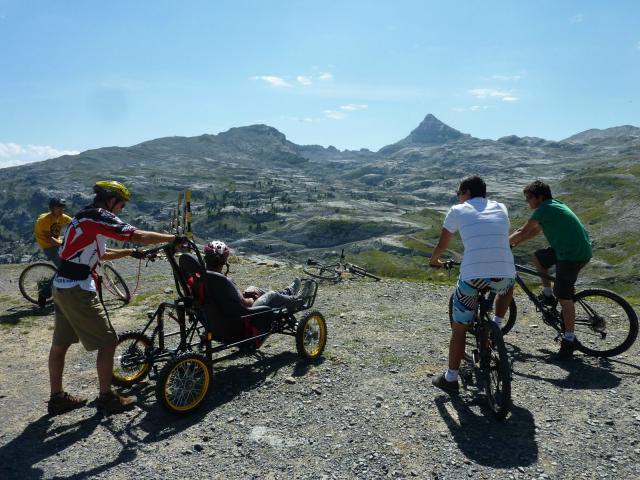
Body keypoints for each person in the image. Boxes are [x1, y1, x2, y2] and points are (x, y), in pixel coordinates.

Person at [48, 180, 185, 416]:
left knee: (60, 345)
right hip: (78, 289)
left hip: (61, 286)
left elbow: (102, 253)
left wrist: (131, 253)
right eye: (121, 204)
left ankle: (57, 398)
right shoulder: (100, 216)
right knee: (109, 342)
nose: (121, 209)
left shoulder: (83, 218)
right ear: (112, 200)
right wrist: (174, 239)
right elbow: (137, 235)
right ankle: (106, 398)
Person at [429, 175, 515, 393]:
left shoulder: (458, 210)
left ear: (466, 192)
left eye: (459, 193)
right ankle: (496, 323)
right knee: (508, 284)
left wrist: (434, 261)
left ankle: (450, 378)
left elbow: (443, 242)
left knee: (459, 328)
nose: (458, 198)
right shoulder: (501, 207)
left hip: (472, 276)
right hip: (503, 275)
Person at [509, 180, 592, 361]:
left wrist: (502, 245)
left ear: (539, 197)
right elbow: (534, 231)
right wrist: (514, 244)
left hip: (572, 255)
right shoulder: (552, 205)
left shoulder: (544, 209)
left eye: (529, 198)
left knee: (564, 296)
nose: (527, 202)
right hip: (570, 249)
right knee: (538, 258)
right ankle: (547, 294)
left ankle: (569, 339)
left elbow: (524, 230)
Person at [201, 240, 314, 315]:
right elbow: (246, 303)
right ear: (223, 262)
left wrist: (250, 295)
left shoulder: (203, 278)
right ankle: (299, 300)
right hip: (246, 315)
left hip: (223, 314)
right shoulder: (224, 281)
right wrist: (252, 298)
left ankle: (287, 293)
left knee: (252, 288)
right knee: (271, 295)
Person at [34, 197, 72, 267]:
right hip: (49, 247)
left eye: (62, 208)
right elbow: (49, 239)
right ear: (52, 209)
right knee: (63, 268)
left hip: (56, 243)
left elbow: (74, 222)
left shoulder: (61, 217)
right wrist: (63, 244)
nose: (61, 210)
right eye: (58, 208)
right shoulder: (45, 220)